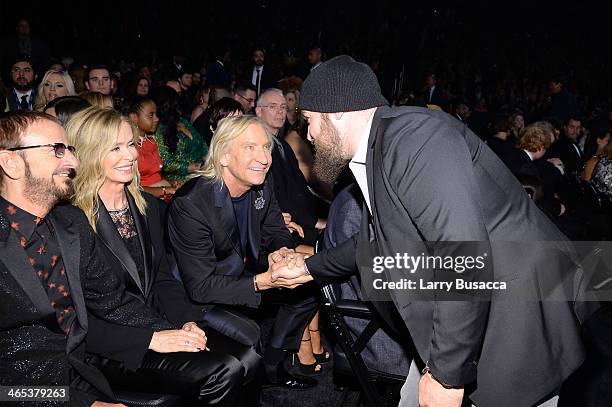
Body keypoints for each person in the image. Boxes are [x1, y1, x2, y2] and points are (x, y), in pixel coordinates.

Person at [270, 55, 589, 407]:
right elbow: (376, 239)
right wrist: (308, 268)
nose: (310, 135)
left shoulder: (415, 140)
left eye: (311, 121)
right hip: (468, 316)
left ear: (337, 112)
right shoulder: (382, 146)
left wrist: (447, 376)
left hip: (516, 316)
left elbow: (464, 255)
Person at [66, 106, 256, 405]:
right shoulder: (69, 221)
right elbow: (74, 318)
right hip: (111, 346)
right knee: (223, 370)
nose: (130, 155)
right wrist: (152, 339)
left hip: (156, 322)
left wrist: (184, 322)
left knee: (248, 358)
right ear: (89, 153)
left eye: (131, 144)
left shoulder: (146, 208)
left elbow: (163, 280)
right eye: (115, 147)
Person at [0, 110, 178, 406]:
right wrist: (78, 403)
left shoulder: (72, 223)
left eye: (69, 149)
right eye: (57, 150)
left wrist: (174, 330)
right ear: (11, 162)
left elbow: (113, 302)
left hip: (85, 376)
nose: (73, 161)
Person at [165, 115, 319, 389]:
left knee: (311, 284)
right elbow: (200, 287)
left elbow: (275, 230)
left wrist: (282, 252)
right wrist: (263, 281)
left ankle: (274, 360)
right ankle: (258, 371)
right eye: (250, 147)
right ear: (224, 156)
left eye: (265, 148)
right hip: (200, 294)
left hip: (246, 272)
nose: (263, 158)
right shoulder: (192, 204)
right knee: (250, 337)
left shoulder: (261, 181)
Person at [125, 96, 175, 200]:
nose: (157, 119)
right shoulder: (129, 148)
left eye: (156, 114)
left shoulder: (151, 142)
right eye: (151, 116)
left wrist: (171, 184)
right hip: (144, 199)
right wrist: (164, 190)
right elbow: (131, 189)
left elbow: (156, 175)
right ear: (134, 118)